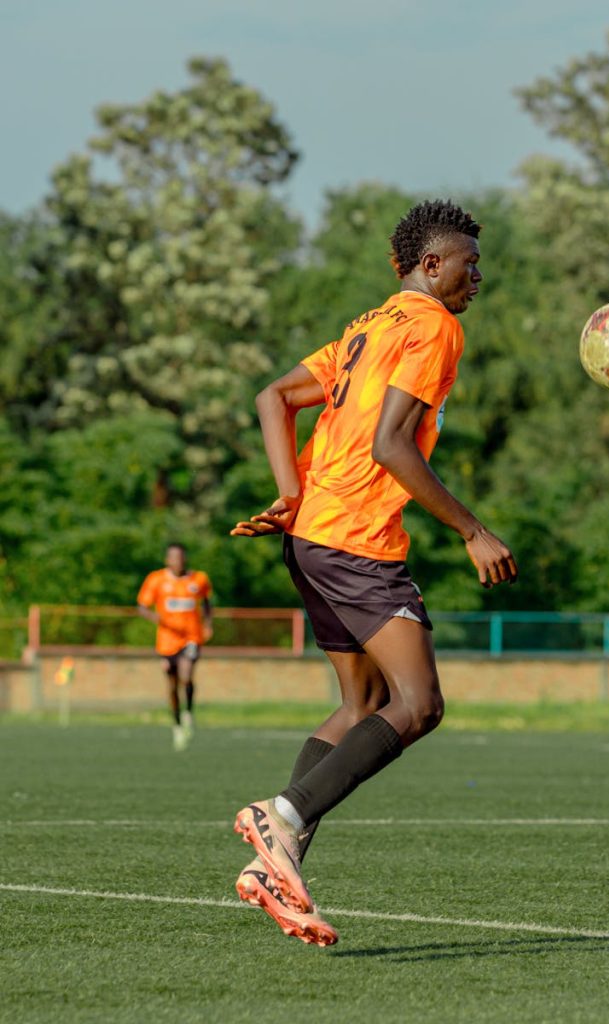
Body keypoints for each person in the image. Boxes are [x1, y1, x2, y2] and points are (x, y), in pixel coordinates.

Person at [230, 199, 518, 947]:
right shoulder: (432, 326)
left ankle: (278, 865)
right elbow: (393, 446)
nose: (475, 276)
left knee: (361, 706)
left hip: (312, 536)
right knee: (417, 704)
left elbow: (273, 397)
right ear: (431, 266)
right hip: (356, 541)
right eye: (468, 263)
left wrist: (290, 492)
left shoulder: (367, 327)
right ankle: (281, 820)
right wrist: (473, 530)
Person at [137, 543, 213, 751]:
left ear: (185, 558)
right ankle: (177, 725)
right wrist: (156, 617)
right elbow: (142, 606)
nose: (177, 561)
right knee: (171, 686)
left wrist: (208, 624)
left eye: (180, 557)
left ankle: (188, 712)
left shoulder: (199, 579)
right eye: (173, 557)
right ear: (167, 560)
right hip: (166, 640)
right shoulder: (156, 580)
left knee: (186, 675)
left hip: (191, 637)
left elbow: (206, 601)